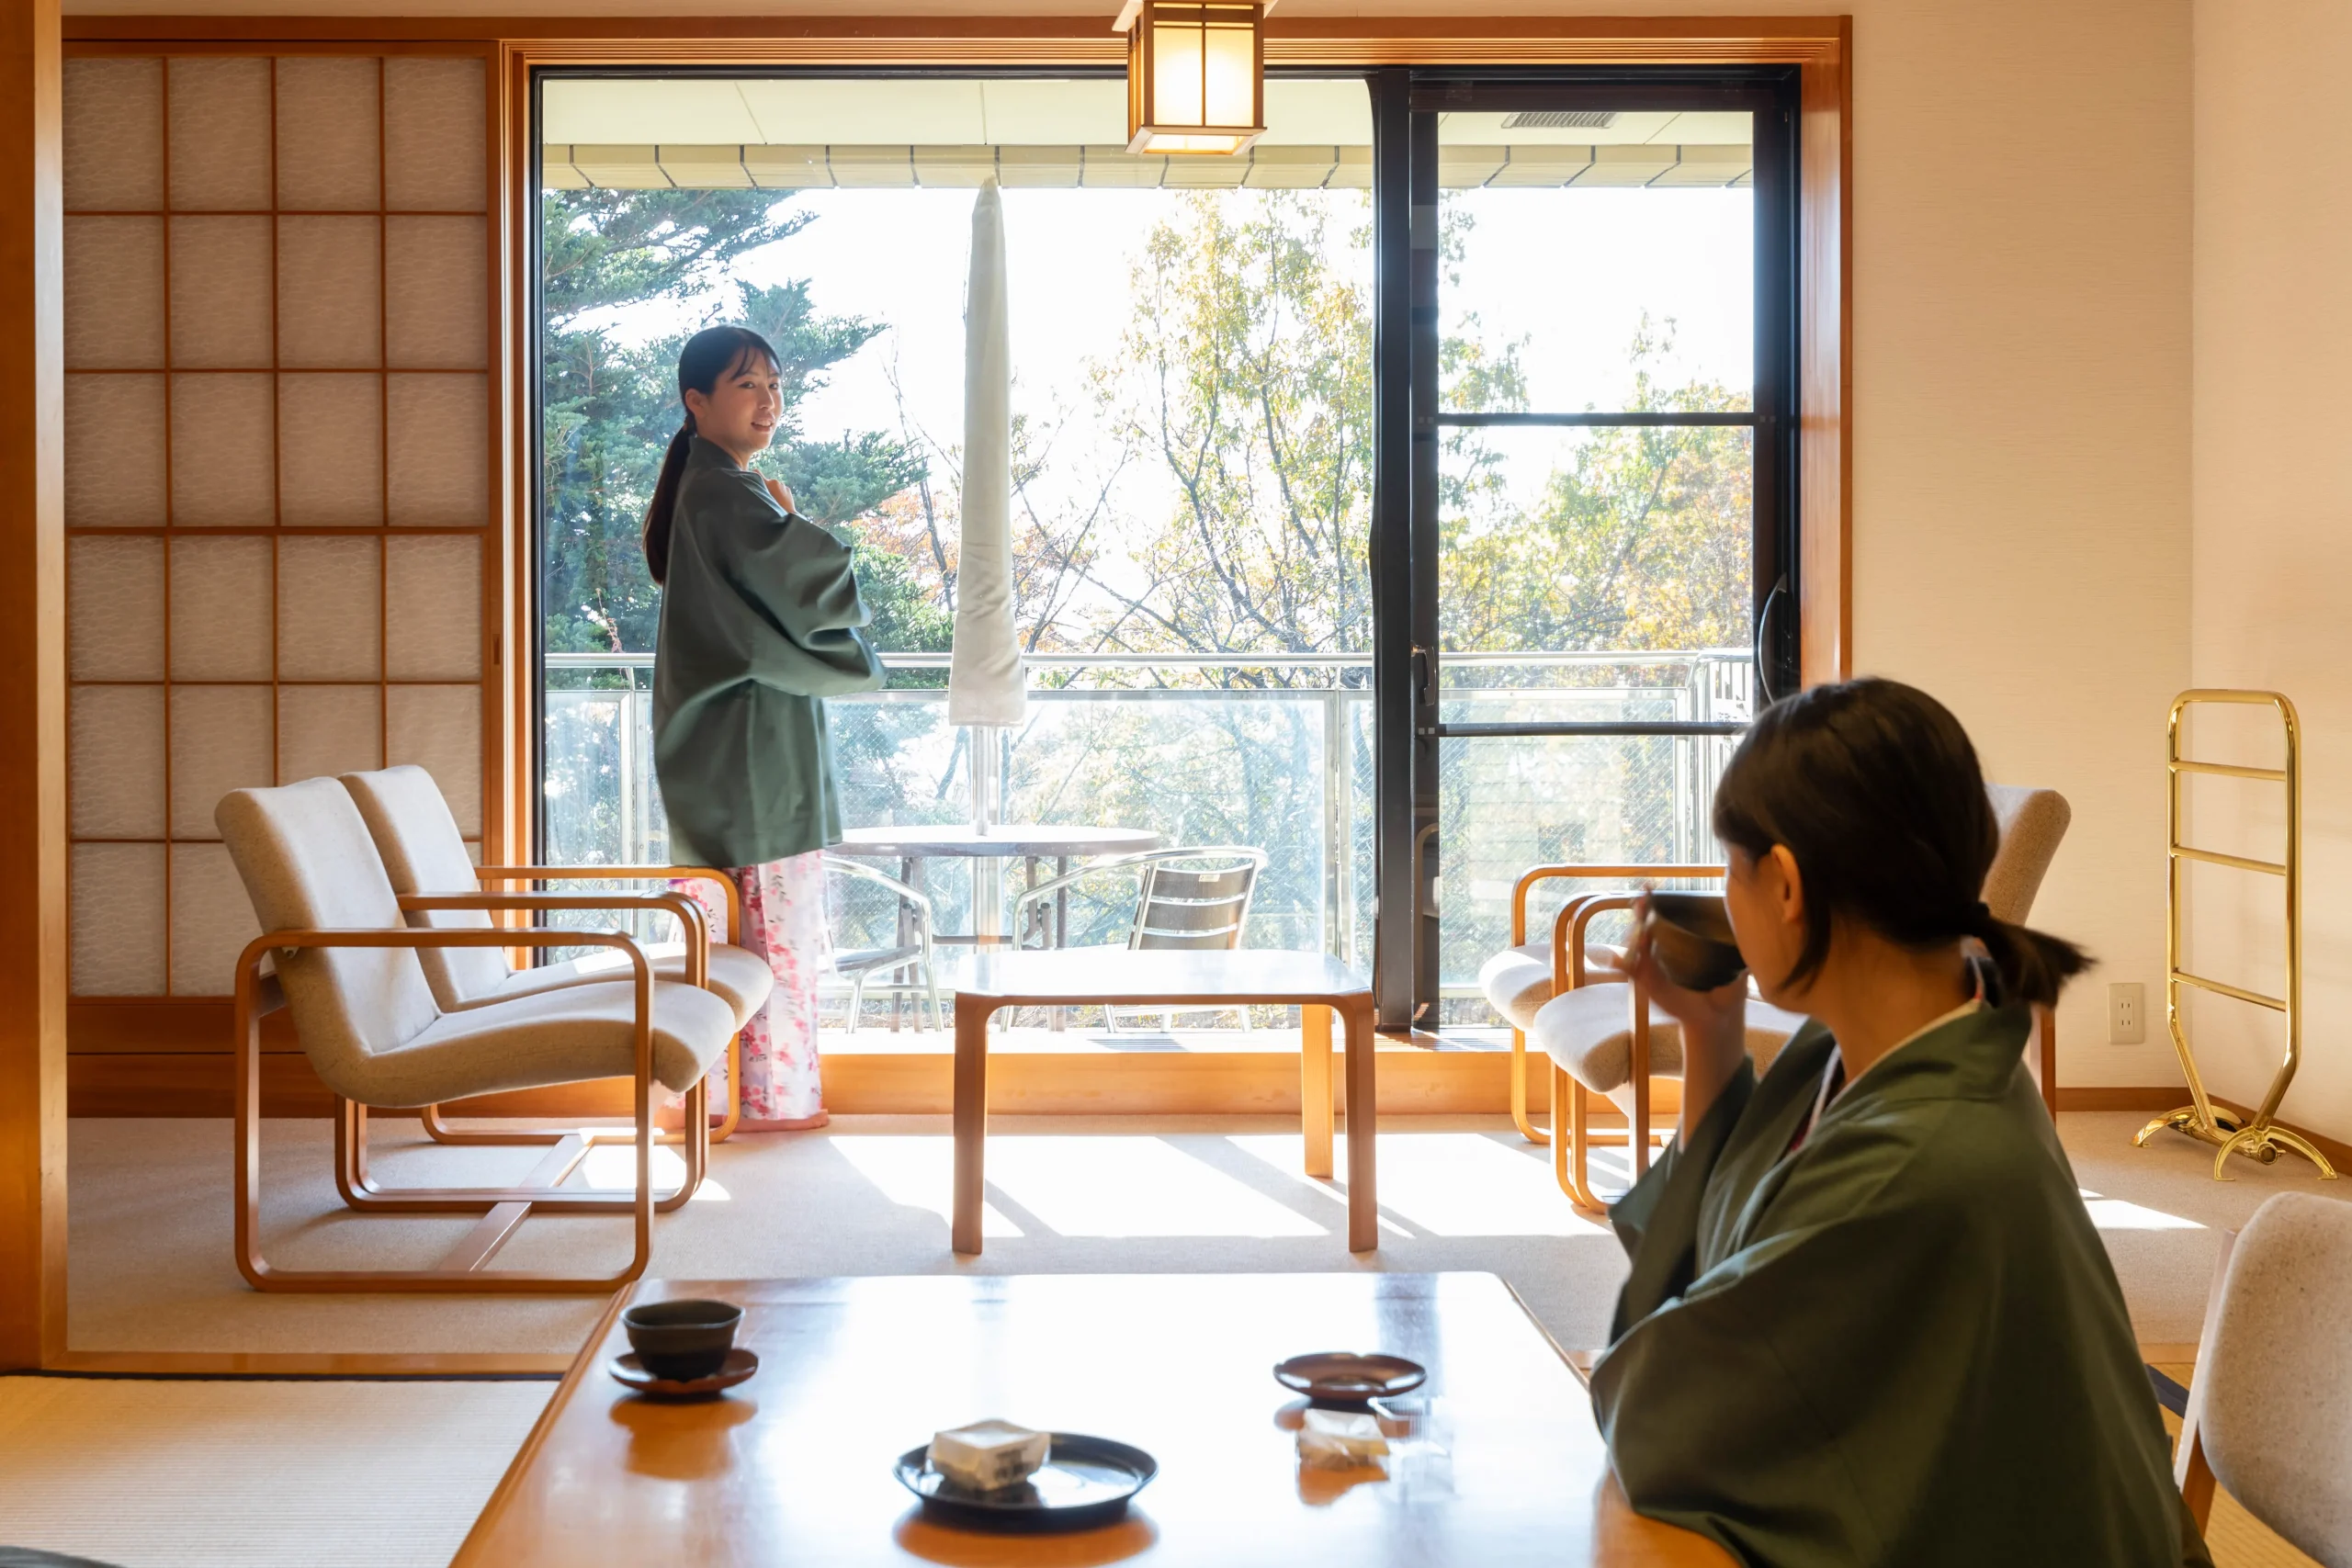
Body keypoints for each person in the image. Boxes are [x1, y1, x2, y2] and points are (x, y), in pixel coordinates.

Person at [1594, 678, 2211, 1566]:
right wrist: (1710, 1035)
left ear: (1789, 884)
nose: (1724, 900)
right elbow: (1709, 1277)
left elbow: (1654, 1414)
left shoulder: (1918, 1158)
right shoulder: (1893, 1040)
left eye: (1731, 871)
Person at [645, 324, 884, 1131]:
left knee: (729, 929)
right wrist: (792, 513)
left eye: (775, 385)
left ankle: (712, 1101)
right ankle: (765, 1104)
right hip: (751, 752)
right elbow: (810, 584)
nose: (768, 400)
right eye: (748, 384)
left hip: (725, 748)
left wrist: (779, 509)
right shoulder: (722, 492)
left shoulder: (713, 488)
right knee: (769, 931)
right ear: (696, 401)